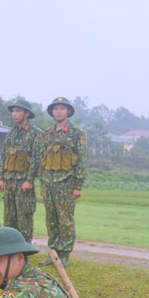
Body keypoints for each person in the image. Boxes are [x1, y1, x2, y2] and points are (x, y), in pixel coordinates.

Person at [40, 97, 86, 267]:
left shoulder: (75, 132)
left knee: (65, 219)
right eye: (56, 108)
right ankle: (53, 253)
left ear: (68, 111)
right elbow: (42, 160)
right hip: (49, 182)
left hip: (66, 182)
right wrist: (43, 185)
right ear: (52, 112)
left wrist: (78, 185)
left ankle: (65, 253)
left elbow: (81, 160)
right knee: (51, 219)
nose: (58, 111)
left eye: (62, 108)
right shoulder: (48, 133)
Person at [0, 98, 43, 243]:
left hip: (23, 183)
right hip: (9, 181)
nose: (14, 114)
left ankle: (25, 250)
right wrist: (1, 178)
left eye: (18, 111)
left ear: (26, 114)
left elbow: (37, 159)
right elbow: (4, 156)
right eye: (13, 111)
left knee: (24, 217)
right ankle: (10, 248)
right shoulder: (11, 133)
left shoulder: (36, 133)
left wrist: (29, 180)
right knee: (9, 217)